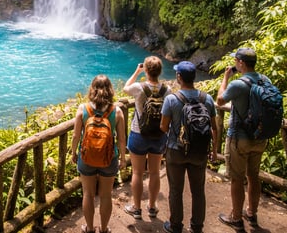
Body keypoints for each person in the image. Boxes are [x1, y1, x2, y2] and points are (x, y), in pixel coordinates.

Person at [160, 61, 218, 233]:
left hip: (176, 150)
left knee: (176, 190)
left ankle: (176, 225)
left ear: (179, 77)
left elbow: (163, 127)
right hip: (199, 151)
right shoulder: (207, 99)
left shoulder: (171, 99)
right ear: (194, 77)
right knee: (198, 190)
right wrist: (214, 150)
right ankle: (197, 226)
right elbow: (214, 127)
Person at [216, 47, 267, 231]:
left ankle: (236, 217)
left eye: (236, 61)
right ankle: (251, 213)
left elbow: (220, 100)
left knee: (237, 179)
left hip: (240, 138)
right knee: (253, 176)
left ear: (241, 63)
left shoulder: (238, 84)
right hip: (260, 136)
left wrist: (225, 78)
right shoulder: (264, 80)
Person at [70, 74, 127, 233]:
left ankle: (89, 228)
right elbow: (122, 139)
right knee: (106, 196)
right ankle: (103, 229)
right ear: (110, 90)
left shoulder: (83, 109)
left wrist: (73, 152)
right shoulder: (117, 111)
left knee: (87, 194)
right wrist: (122, 158)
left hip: (86, 158)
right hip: (109, 158)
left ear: (92, 89)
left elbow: (76, 136)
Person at [122, 56, 169, 220]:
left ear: (147, 71)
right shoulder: (167, 90)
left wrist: (137, 71)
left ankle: (136, 208)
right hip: (159, 134)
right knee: (155, 172)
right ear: (160, 71)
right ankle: (152, 206)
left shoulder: (139, 88)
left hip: (138, 133)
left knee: (137, 172)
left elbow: (125, 87)